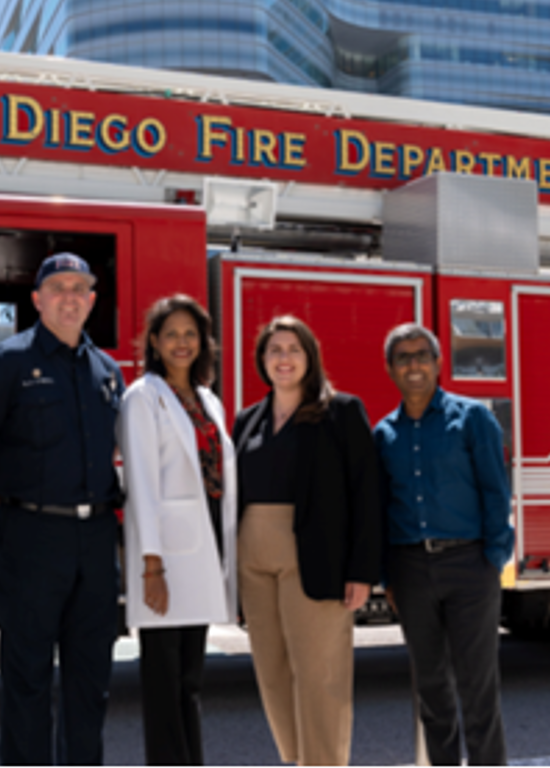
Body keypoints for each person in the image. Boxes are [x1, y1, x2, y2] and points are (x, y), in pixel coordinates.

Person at [0, 252, 124, 765]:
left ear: (91, 300)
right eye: (57, 288)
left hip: (96, 540)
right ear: (37, 299)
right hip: (31, 537)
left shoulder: (107, 370)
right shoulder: (6, 361)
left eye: (79, 288)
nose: (69, 297)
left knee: (90, 681)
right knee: (27, 677)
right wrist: (1, 508)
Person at [232, 315, 381, 767]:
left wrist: (361, 571)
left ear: (310, 357)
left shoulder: (341, 412)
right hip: (252, 556)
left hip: (315, 555)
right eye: (274, 350)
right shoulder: (247, 420)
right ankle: (298, 760)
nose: (284, 358)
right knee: (272, 671)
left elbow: (367, 493)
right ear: (262, 360)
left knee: (319, 673)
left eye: (293, 349)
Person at [373, 323, 512, 766]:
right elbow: (381, 509)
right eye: (403, 357)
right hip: (411, 571)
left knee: (478, 689)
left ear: (438, 364)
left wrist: (492, 560)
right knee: (431, 690)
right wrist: (388, 577)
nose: (413, 365)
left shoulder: (472, 419)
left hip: (469, 566)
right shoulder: (383, 434)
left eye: (422, 356)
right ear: (390, 369)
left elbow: (496, 491)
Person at [118, 295, 238, 766]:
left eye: (191, 334)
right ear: (154, 342)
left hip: (204, 547)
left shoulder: (208, 399)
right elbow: (141, 484)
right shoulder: (142, 397)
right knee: (164, 683)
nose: (181, 343)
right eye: (171, 335)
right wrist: (151, 566)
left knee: (190, 680)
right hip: (165, 557)